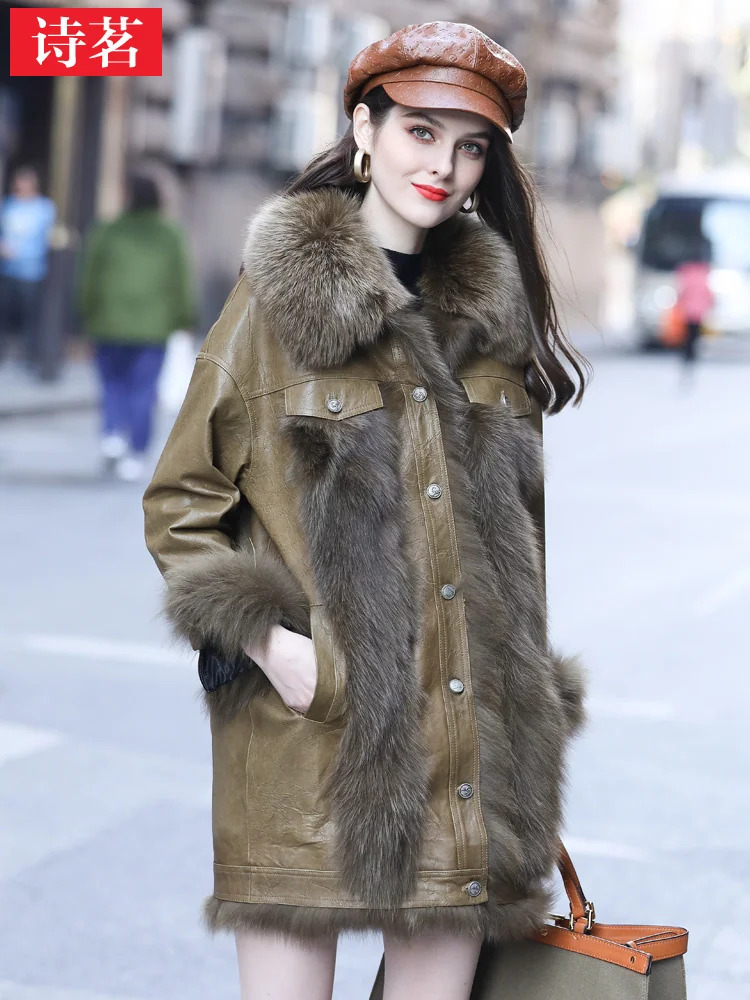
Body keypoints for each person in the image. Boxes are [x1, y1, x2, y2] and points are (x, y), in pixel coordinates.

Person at [143, 21, 588, 1000]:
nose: (444, 167)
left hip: (467, 766)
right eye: (421, 132)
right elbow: (181, 500)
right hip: (310, 754)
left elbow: (522, 557)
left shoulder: (493, 323)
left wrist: (528, 724)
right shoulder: (277, 304)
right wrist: (271, 645)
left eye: (470, 147)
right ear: (364, 128)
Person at [78, 174, 197, 481]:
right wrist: (184, 318)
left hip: (109, 321)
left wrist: (87, 314)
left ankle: (112, 433)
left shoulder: (107, 231)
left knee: (112, 383)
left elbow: (90, 278)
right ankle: (136, 451)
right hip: (153, 326)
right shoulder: (170, 235)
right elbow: (180, 281)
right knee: (144, 388)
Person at [0, 165, 56, 370]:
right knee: (4, 313)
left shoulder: (44, 208)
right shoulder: (8, 205)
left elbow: (50, 237)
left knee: (30, 317)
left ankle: (29, 356)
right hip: (8, 268)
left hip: (32, 270)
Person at [675, 245, 713, 367]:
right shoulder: (703, 274)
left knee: (688, 334)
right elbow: (707, 292)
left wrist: (679, 303)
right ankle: (691, 354)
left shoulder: (686, 274)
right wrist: (710, 303)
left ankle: (687, 353)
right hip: (699, 310)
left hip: (688, 310)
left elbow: (682, 292)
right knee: (695, 333)